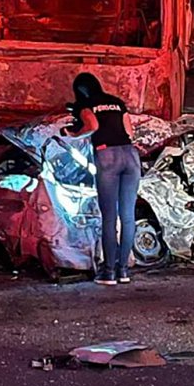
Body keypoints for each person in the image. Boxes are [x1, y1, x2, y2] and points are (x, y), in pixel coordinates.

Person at [62, 73, 140, 285]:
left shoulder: (85, 105)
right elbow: (129, 132)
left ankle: (108, 273)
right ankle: (124, 271)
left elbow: (92, 126)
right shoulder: (117, 103)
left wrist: (72, 134)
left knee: (109, 217)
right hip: (131, 156)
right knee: (127, 216)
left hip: (107, 156)